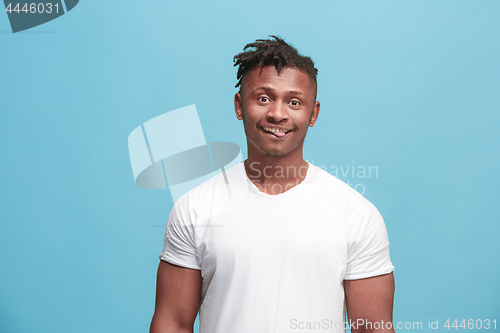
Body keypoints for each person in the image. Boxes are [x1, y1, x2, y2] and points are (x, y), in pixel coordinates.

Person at [150, 36, 395, 333]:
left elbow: (372, 328)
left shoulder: (356, 214)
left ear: (313, 114)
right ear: (240, 106)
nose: (277, 114)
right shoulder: (194, 208)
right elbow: (172, 323)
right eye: (264, 98)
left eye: (294, 102)